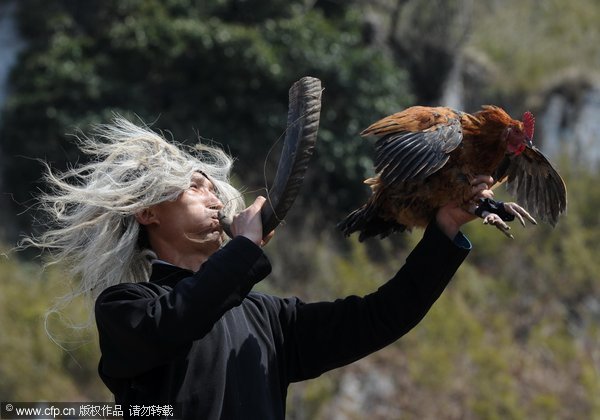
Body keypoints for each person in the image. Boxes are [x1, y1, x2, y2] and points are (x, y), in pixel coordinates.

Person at [30, 117, 495, 419]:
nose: (216, 197)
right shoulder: (127, 309)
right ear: (148, 213)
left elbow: (381, 317)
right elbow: (182, 317)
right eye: (196, 188)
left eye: (216, 189)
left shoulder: (267, 320)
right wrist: (245, 246)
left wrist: (445, 229)